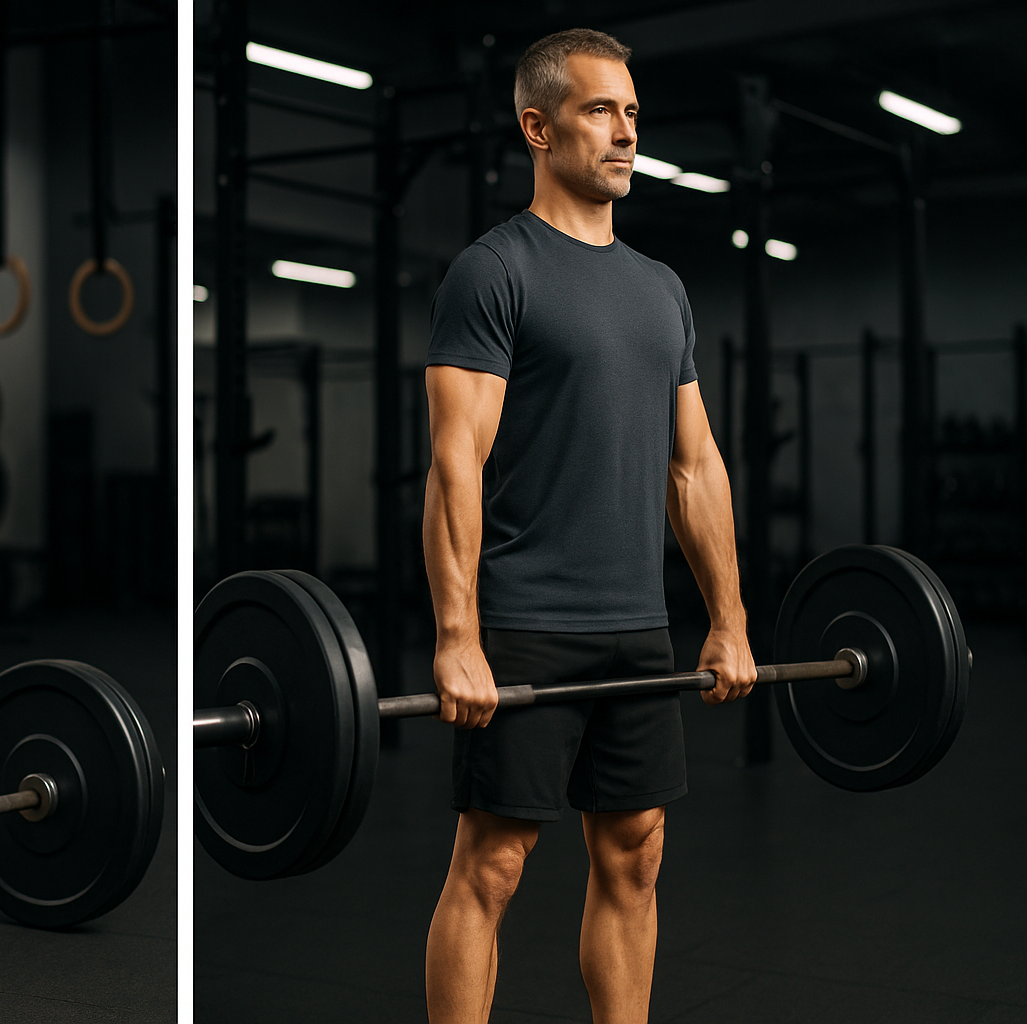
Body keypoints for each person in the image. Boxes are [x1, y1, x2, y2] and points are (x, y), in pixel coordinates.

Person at [420, 29, 756, 1024]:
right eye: (602, 110)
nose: (627, 132)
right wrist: (457, 635)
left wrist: (729, 617)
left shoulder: (660, 288)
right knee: (491, 866)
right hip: (527, 617)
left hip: (633, 621)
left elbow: (692, 466)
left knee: (637, 853)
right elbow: (454, 463)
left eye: (634, 113)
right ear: (538, 126)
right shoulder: (493, 272)